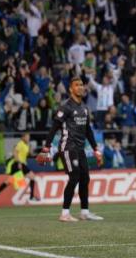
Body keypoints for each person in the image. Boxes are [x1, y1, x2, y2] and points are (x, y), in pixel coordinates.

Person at [37, 76, 104, 222]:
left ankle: (84, 212)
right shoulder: (66, 106)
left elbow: (88, 131)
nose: (80, 87)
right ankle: (64, 213)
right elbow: (54, 128)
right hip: (67, 148)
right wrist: (46, 147)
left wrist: (96, 149)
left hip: (80, 149)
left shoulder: (85, 108)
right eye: (77, 85)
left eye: (82, 85)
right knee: (74, 177)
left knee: (85, 178)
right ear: (70, 89)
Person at [0, 133, 39, 205]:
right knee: (32, 177)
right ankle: (31, 196)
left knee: (8, 181)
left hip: (22, 164)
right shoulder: (20, 144)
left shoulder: (26, 145)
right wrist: (19, 163)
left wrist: (32, 150)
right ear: (23, 137)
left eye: (29, 137)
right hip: (18, 164)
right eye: (27, 137)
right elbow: (15, 153)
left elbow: (30, 154)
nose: (28, 138)